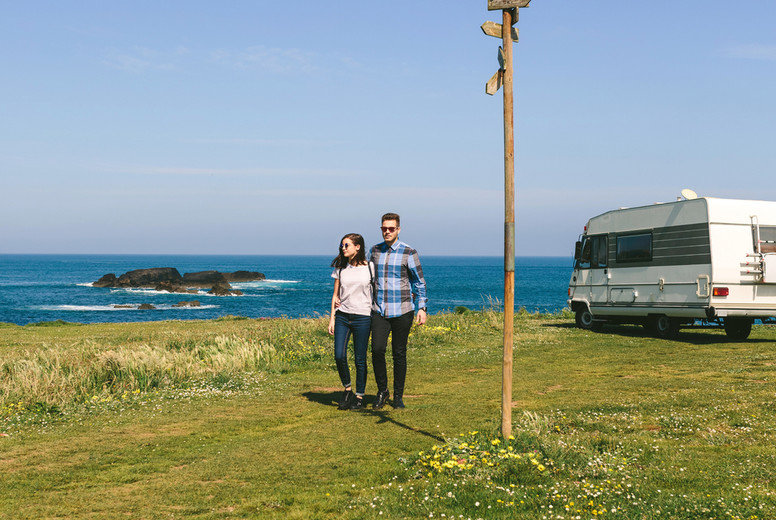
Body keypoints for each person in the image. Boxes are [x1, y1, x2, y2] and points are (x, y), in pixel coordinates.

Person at [369, 212, 427, 409]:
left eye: (391, 228)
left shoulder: (409, 252)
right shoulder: (374, 251)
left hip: (403, 310)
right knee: (377, 350)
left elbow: (419, 282)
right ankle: (382, 391)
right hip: (379, 310)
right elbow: (369, 280)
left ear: (398, 229)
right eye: (384, 228)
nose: (387, 231)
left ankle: (398, 396)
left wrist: (422, 308)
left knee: (399, 353)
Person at [328, 233, 373, 410]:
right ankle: (347, 389)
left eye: (346, 245)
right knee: (339, 355)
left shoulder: (370, 267)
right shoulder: (341, 268)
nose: (343, 248)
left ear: (358, 247)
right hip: (343, 316)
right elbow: (335, 295)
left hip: (363, 317)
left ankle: (359, 396)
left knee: (360, 359)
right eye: (342, 245)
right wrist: (332, 317)